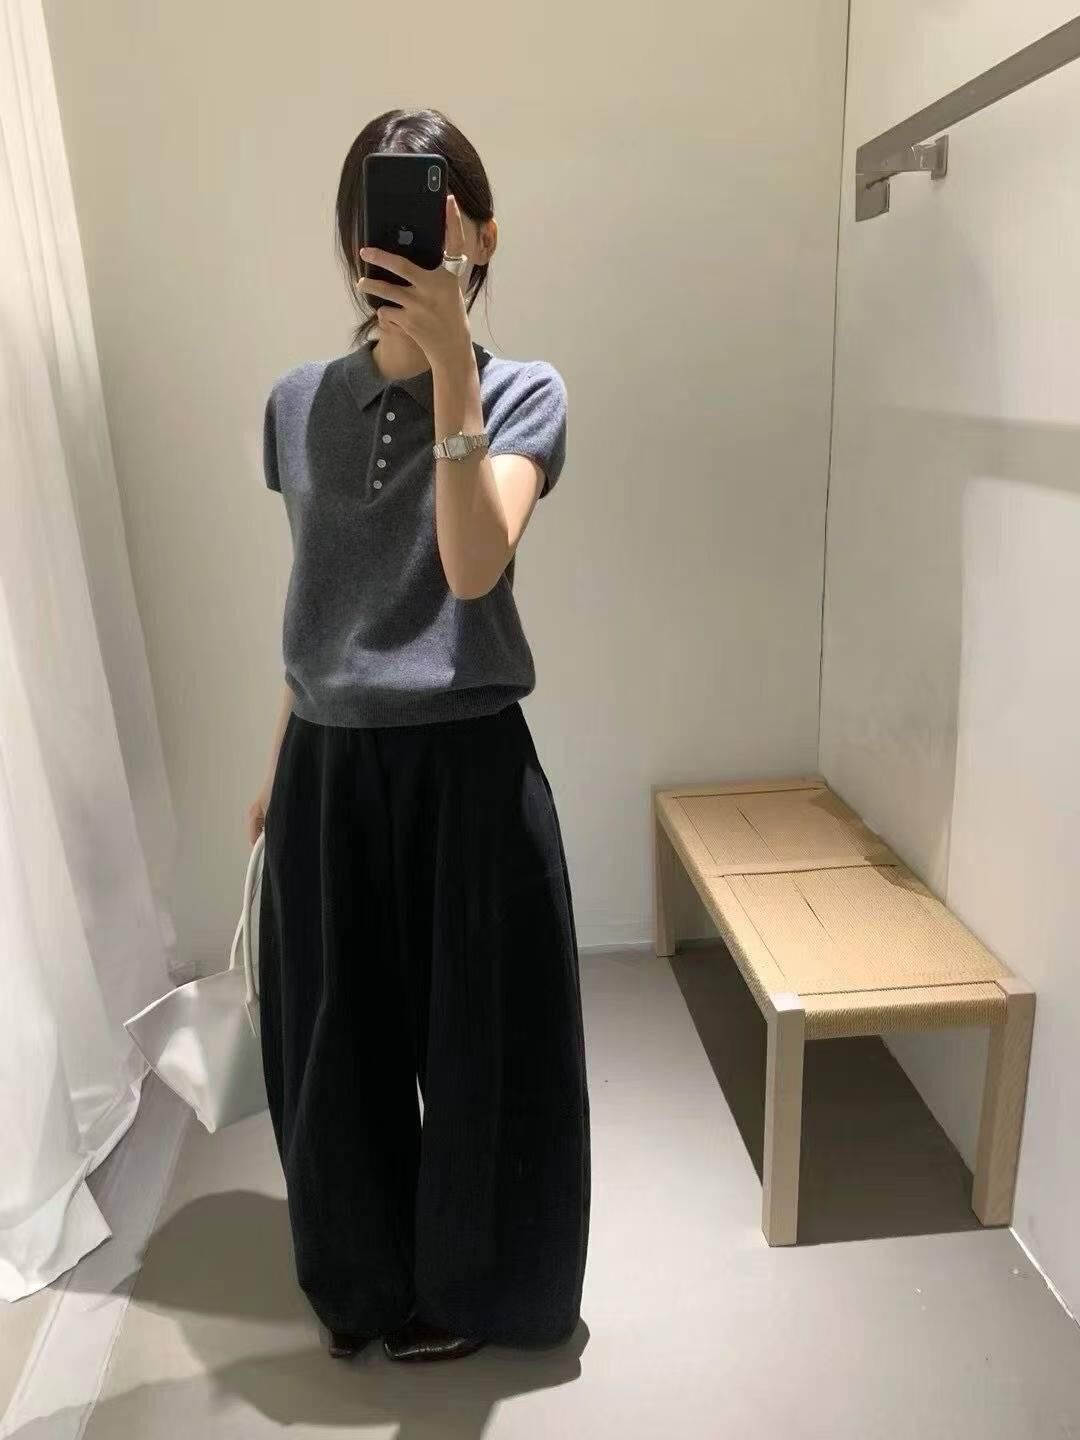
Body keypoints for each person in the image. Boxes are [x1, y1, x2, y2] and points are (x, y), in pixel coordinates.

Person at [248, 108, 591, 1365]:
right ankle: (362, 1286)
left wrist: (453, 366)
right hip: (328, 762)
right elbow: (319, 598)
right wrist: (278, 762)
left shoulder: (525, 392)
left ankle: (478, 1292)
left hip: (469, 764)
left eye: (431, 214)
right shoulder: (296, 404)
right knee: (332, 1050)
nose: (391, 241)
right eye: (374, 216)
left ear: (481, 235)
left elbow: (469, 564)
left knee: (486, 1044)